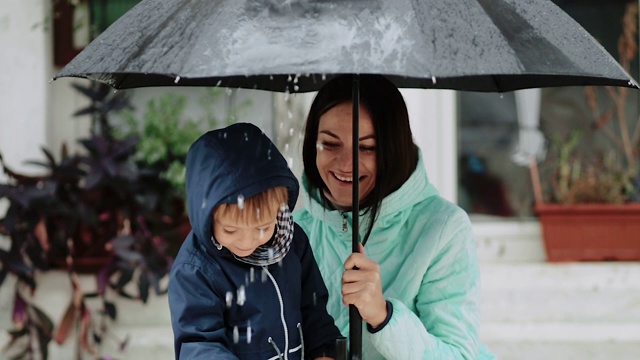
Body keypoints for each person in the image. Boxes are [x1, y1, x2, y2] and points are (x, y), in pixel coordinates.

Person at [294, 75, 496, 359]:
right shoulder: (295, 231)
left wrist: (383, 316)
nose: (344, 164)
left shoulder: (444, 229)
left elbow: (459, 354)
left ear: (393, 148)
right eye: (329, 144)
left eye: (367, 148)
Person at [168, 122, 342, 360]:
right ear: (207, 217)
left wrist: (324, 350)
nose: (247, 241)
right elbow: (198, 342)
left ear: (279, 211)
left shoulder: (292, 242)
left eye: (263, 227)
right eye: (230, 230)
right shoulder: (196, 270)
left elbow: (313, 310)